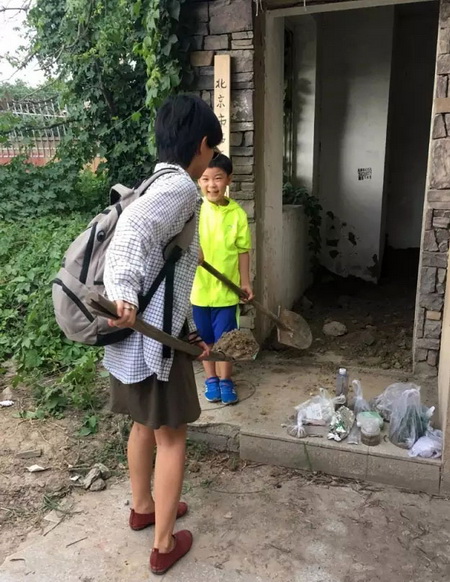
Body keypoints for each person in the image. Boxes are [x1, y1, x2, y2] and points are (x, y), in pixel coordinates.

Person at [103, 94, 222, 575]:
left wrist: (190, 330)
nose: (212, 159)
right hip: (153, 344)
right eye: (212, 150)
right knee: (172, 439)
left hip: (137, 342)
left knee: (143, 426)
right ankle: (164, 543)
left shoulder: (152, 182)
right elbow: (131, 233)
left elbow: (167, 272)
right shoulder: (179, 189)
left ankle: (143, 507)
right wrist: (123, 293)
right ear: (201, 144)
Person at [191, 154, 253, 405]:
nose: (211, 185)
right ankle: (211, 379)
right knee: (205, 339)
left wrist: (245, 282)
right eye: (205, 179)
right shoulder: (195, 210)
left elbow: (243, 251)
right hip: (198, 290)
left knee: (227, 341)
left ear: (229, 179)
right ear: (199, 181)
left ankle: (226, 380)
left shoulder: (237, 214)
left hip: (227, 292)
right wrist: (193, 248)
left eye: (217, 178)